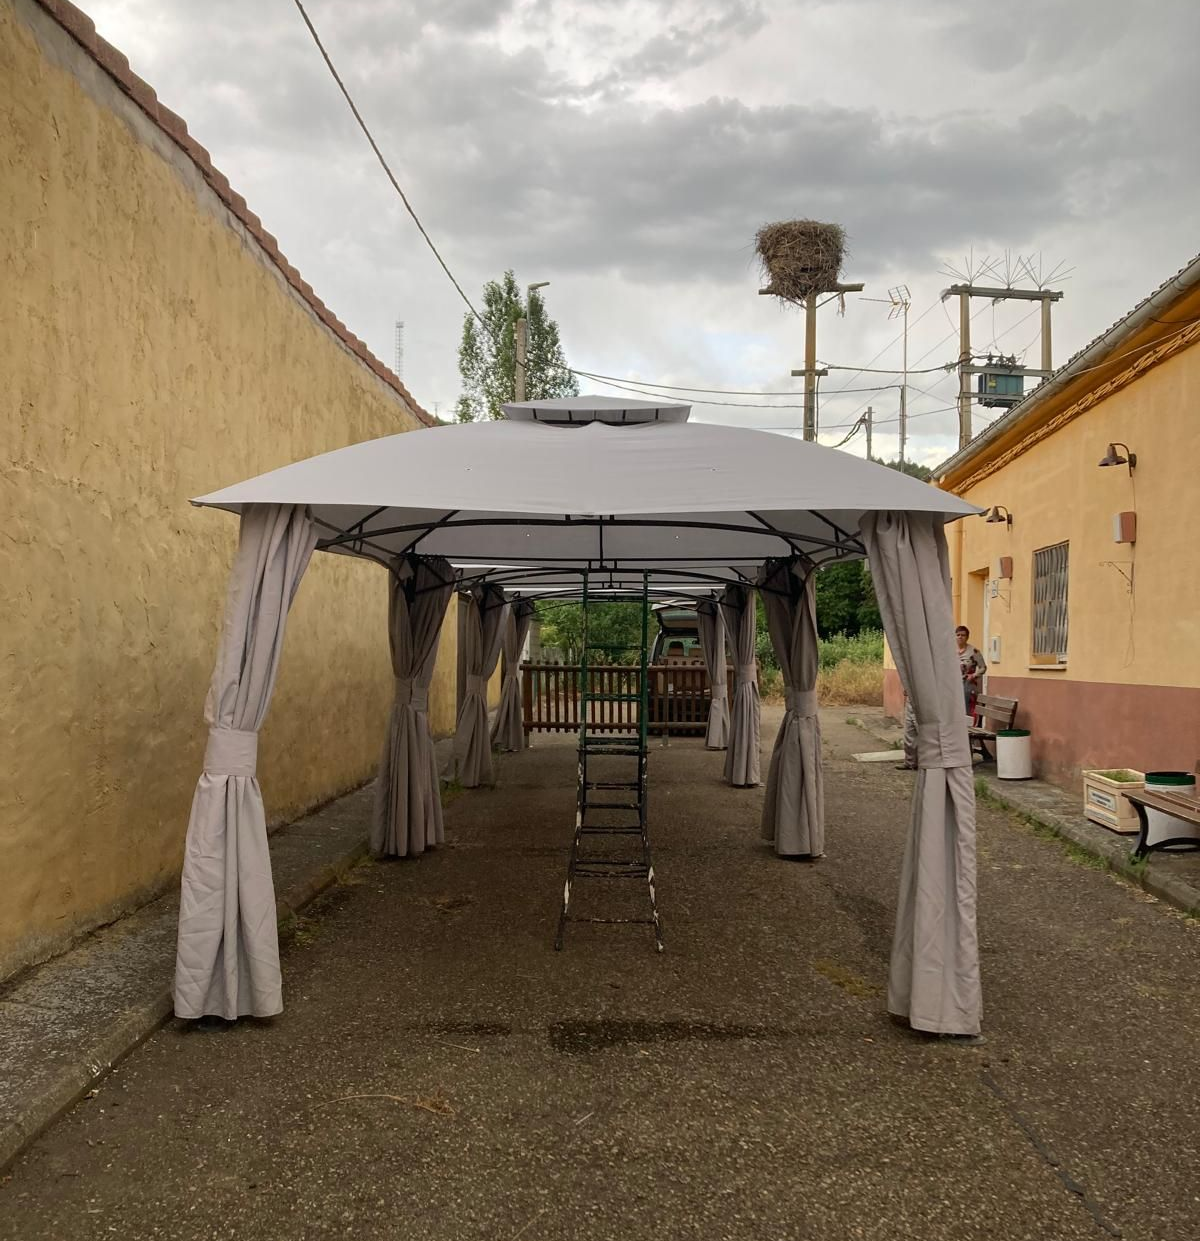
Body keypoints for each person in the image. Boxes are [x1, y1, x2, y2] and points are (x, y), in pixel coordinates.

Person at [957, 625, 987, 718]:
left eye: (963, 635)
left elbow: (983, 667)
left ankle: (967, 726)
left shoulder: (974, 651)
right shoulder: (949, 650)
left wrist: (974, 675)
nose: (960, 637)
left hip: (967, 684)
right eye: (958, 635)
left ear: (967, 637)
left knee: (965, 709)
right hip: (953, 684)